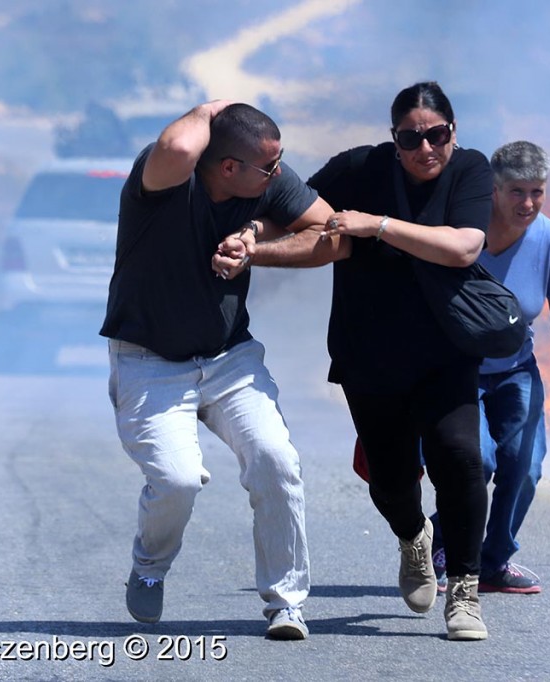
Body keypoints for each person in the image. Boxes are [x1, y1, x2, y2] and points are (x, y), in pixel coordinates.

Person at [234, 81, 493, 641]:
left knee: (461, 458)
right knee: (390, 480)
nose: (426, 149)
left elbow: (464, 247)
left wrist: (374, 225)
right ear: (393, 139)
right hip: (369, 353)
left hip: (446, 353)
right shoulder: (359, 170)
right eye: (410, 138)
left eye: (437, 135)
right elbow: (292, 208)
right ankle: (413, 538)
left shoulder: (471, 171)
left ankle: (466, 591)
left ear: (454, 132)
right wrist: (255, 233)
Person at [100, 100, 333, 640]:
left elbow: (332, 235)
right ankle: (149, 567)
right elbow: (182, 144)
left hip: (229, 355)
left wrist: (257, 242)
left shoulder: (264, 179)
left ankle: (286, 603)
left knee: (275, 458)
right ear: (228, 167)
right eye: (269, 168)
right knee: (178, 480)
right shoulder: (164, 179)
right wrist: (210, 106)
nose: (279, 175)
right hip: (149, 360)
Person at [429, 140, 550, 595]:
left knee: (525, 466)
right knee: (476, 461)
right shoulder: (463, 231)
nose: (529, 203)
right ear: (493, 190)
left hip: (518, 370)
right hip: (459, 370)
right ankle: (445, 542)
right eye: (517, 191)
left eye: (538, 191)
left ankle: (493, 562)